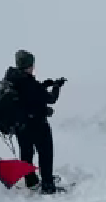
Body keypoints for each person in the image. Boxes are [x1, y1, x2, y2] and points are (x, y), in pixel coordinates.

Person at [4, 50, 65, 194]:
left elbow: (28, 95)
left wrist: (44, 84)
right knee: (45, 152)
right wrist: (57, 87)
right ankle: (48, 185)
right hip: (36, 124)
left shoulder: (12, 78)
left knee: (26, 152)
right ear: (28, 65)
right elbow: (50, 99)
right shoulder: (28, 82)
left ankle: (31, 181)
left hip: (21, 125)